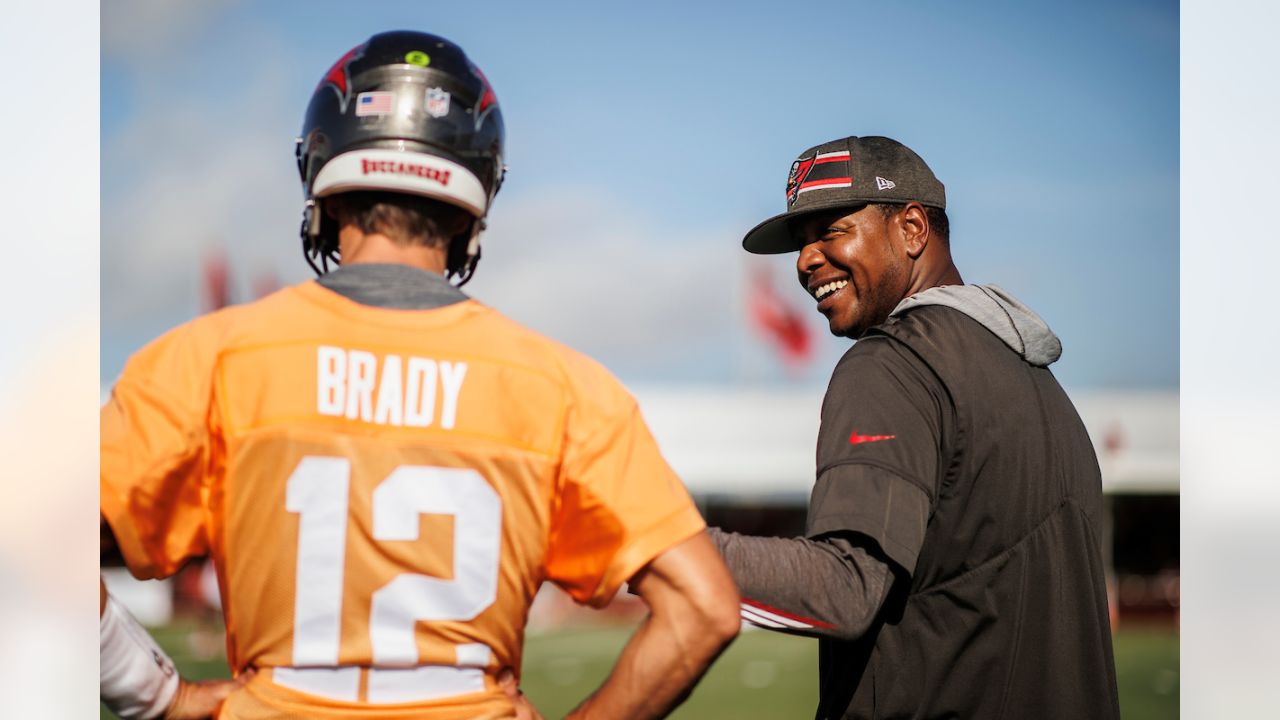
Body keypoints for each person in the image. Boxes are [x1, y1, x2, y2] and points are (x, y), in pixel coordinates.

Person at [99, 30, 739, 720]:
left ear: (324, 172)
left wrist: (158, 694)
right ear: (475, 196)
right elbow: (703, 608)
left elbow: (34, 540)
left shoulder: (212, 359)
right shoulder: (563, 388)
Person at [710, 135, 1120, 719]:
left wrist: (661, 546)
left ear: (911, 229)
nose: (804, 262)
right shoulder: (1039, 384)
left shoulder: (894, 363)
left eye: (830, 231)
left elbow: (844, 590)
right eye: (801, 244)